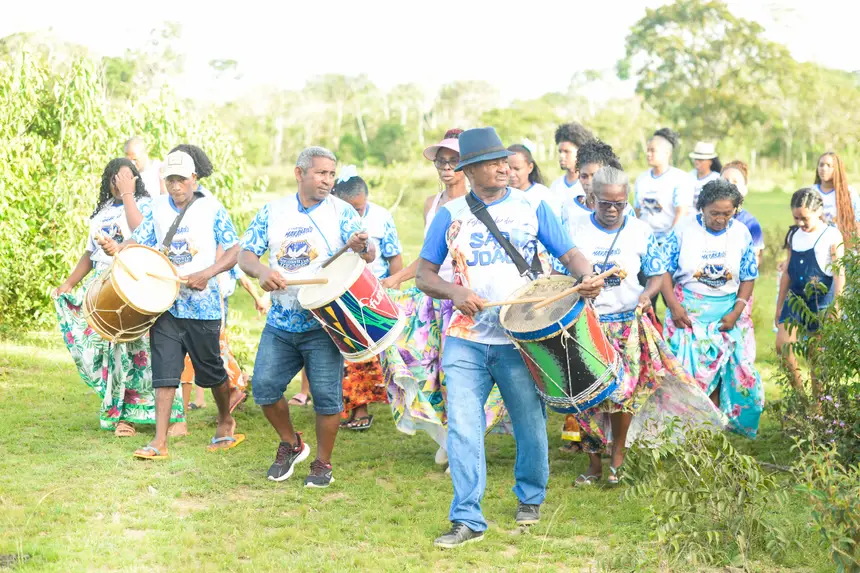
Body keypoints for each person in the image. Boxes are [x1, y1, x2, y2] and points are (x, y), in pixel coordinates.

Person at [416, 127, 604, 548]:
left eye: (505, 160)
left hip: (520, 338)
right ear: (470, 169)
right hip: (464, 339)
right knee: (464, 428)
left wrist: (587, 276)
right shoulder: (450, 214)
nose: (504, 167)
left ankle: (531, 496)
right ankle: (467, 518)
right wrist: (455, 292)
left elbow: (569, 253)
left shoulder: (532, 206)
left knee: (529, 423)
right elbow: (425, 274)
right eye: (493, 162)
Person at [552, 167, 724, 484]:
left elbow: (657, 272)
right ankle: (593, 465)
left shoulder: (640, 230)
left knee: (623, 394)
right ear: (592, 198)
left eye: (620, 202)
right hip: (585, 326)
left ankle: (617, 456)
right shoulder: (573, 230)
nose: (613, 209)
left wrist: (647, 295)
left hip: (625, 325)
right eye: (606, 203)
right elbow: (556, 273)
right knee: (585, 397)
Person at [238, 146, 375, 487]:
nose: (328, 180)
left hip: (325, 323)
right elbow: (245, 255)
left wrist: (361, 246)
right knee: (265, 389)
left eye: (332, 174)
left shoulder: (342, 212)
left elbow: (369, 253)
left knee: (327, 398)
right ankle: (291, 443)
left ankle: (322, 464)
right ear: (300, 174)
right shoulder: (273, 211)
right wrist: (261, 271)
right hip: (281, 321)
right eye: (321, 173)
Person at [377, 129, 508, 465]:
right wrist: (397, 278)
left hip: (469, 301)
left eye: (453, 161)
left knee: (464, 374)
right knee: (421, 365)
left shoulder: (479, 201)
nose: (447, 167)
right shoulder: (431, 204)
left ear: (467, 165)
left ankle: (464, 439)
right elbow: (428, 257)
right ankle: (447, 435)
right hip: (435, 298)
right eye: (441, 161)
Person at [112, 149, 242, 460]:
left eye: (181, 180)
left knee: (210, 371)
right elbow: (140, 239)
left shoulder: (211, 208)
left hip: (202, 304)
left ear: (194, 179)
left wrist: (207, 273)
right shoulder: (157, 209)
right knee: (165, 371)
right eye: (170, 180)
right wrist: (117, 247)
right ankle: (159, 441)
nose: (176, 186)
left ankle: (225, 418)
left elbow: (236, 249)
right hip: (166, 302)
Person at [53, 158, 185, 436]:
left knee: (149, 353)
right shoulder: (100, 213)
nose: (120, 182)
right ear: (107, 180)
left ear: (136, 179)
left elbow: (143, 234)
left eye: (127, 177)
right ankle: (123, 418)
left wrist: (129, 194)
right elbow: (89, 255)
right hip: (106, 288)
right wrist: (67, 284)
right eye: (115, 177)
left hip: (137, 286)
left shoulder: (147, 206)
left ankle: (175, 418)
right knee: (115, 354)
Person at [663, 179, 763, 438]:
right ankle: (688, 429)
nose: (720, 219)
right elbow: (663, 271)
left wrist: (736, 312)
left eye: (727, 214)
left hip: (727, 315)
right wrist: (674, 307)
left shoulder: (741, 233)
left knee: (730, 371)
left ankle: (716, 425)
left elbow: (749, 276)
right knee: (686, 375)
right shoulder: (683, 230)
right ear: (702, 209)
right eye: (714, 213)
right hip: (687, 315)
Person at [331, 165, 403, 430]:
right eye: (350, 207)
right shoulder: (326, 217)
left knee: (372, 354)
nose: (356, 213)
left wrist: (395, 291)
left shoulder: (382, 217)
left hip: (372, 294)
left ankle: (369, 408)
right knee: (347, 354)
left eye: (360, 208)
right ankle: (351, 408)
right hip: (338, 292)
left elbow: (394, 256)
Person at [775, 188, 845, 398]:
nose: (799, 223)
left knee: (817, 355)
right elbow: (788, 271)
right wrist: (779, 306)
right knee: (782, 346)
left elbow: (839, 272)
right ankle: (800, 397)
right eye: (796, 218)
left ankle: (818, 405)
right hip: (795, 298)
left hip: (821, 301)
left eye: (804, 218)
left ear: (818, 211)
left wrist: (837, 305)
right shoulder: (794, 235)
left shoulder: (831, 235)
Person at [634, 128, 692, 245]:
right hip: (644, 240)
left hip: (668, 241)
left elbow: (681, 213)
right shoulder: (641, 178)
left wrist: (668, 242)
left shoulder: (679, 178)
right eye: (647, 150)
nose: (648, 154)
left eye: (652, 151)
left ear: (667, 153)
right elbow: (637, 211)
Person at [546, 122, 595, 215]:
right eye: (560, 151)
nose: (561, 156)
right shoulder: (555, 186)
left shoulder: (588, 185)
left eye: (566, 151)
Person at [722, 160, 764, 268]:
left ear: (744, 189)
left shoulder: (750, 224)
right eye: (725, 180)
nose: (729, 185)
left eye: (735, 181)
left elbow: (755, 261)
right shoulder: (704, 218)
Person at [813, 151, 859, 243]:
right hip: (817, 245)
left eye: (829, 165)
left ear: (837, 169)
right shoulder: (811, 192)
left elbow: (858, 222)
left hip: (843, 245)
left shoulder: (848, 193)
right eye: (821, 165)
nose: (824, 169)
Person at [688, 141, 722, 208]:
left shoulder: (717, 179)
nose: (697, 162)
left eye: (701, 160)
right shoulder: (689, 175)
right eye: (696, 159)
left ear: (710, 161)